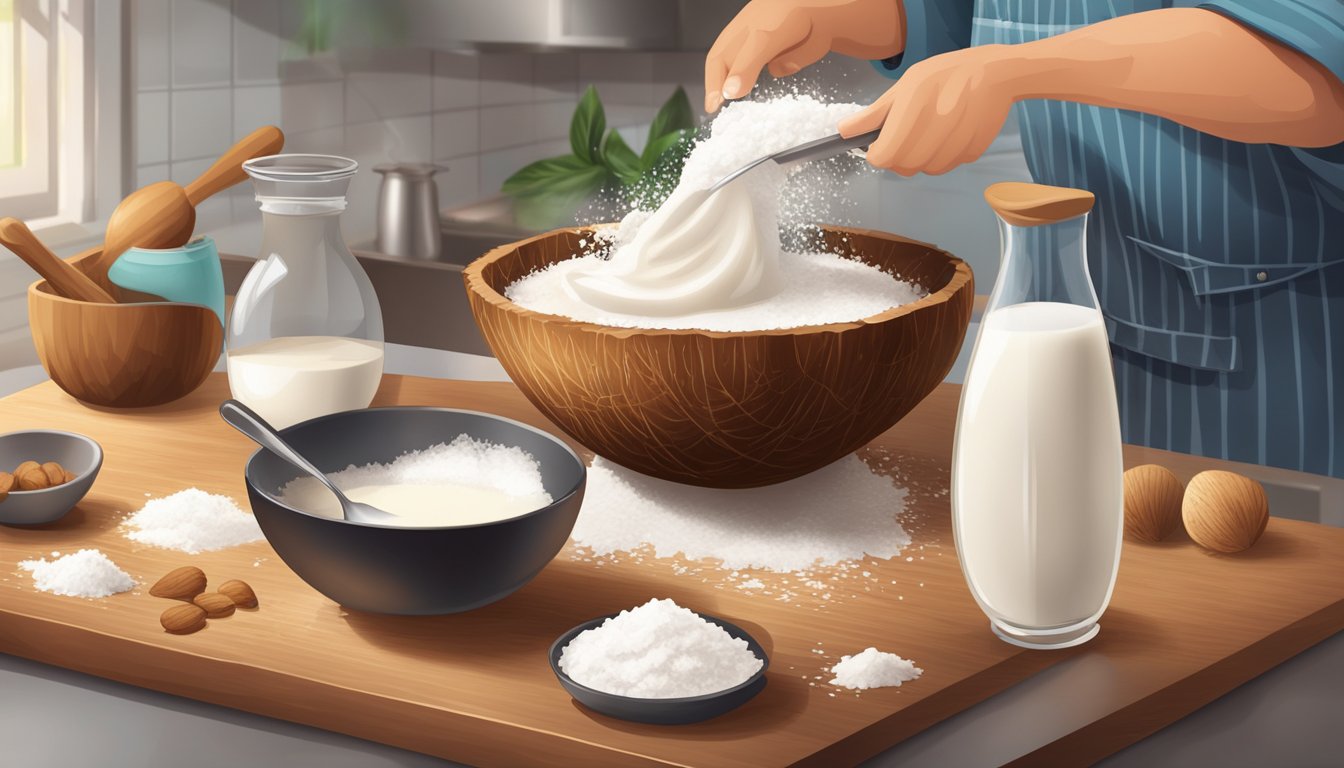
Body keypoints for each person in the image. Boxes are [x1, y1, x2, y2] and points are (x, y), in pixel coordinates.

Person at [705, 0, 1344, 479]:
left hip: (1281, 344)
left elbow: (1313, 66)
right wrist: (837, 12)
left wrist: (1018, 70)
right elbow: (965, 14)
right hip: (1098, 305)